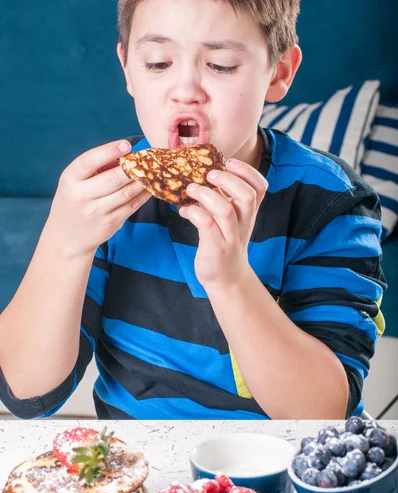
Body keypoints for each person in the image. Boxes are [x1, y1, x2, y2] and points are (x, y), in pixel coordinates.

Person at [0, 0, 386, 420]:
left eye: (221, 65)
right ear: (127, 67)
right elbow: (27, 394)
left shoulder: (330, 202)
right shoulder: (108, 200)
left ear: (279, 72)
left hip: (282, 468)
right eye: (158, 62)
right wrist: (64, 242)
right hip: (140, 467)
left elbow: (322, 413)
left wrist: (231, 280)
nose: (185, 89)